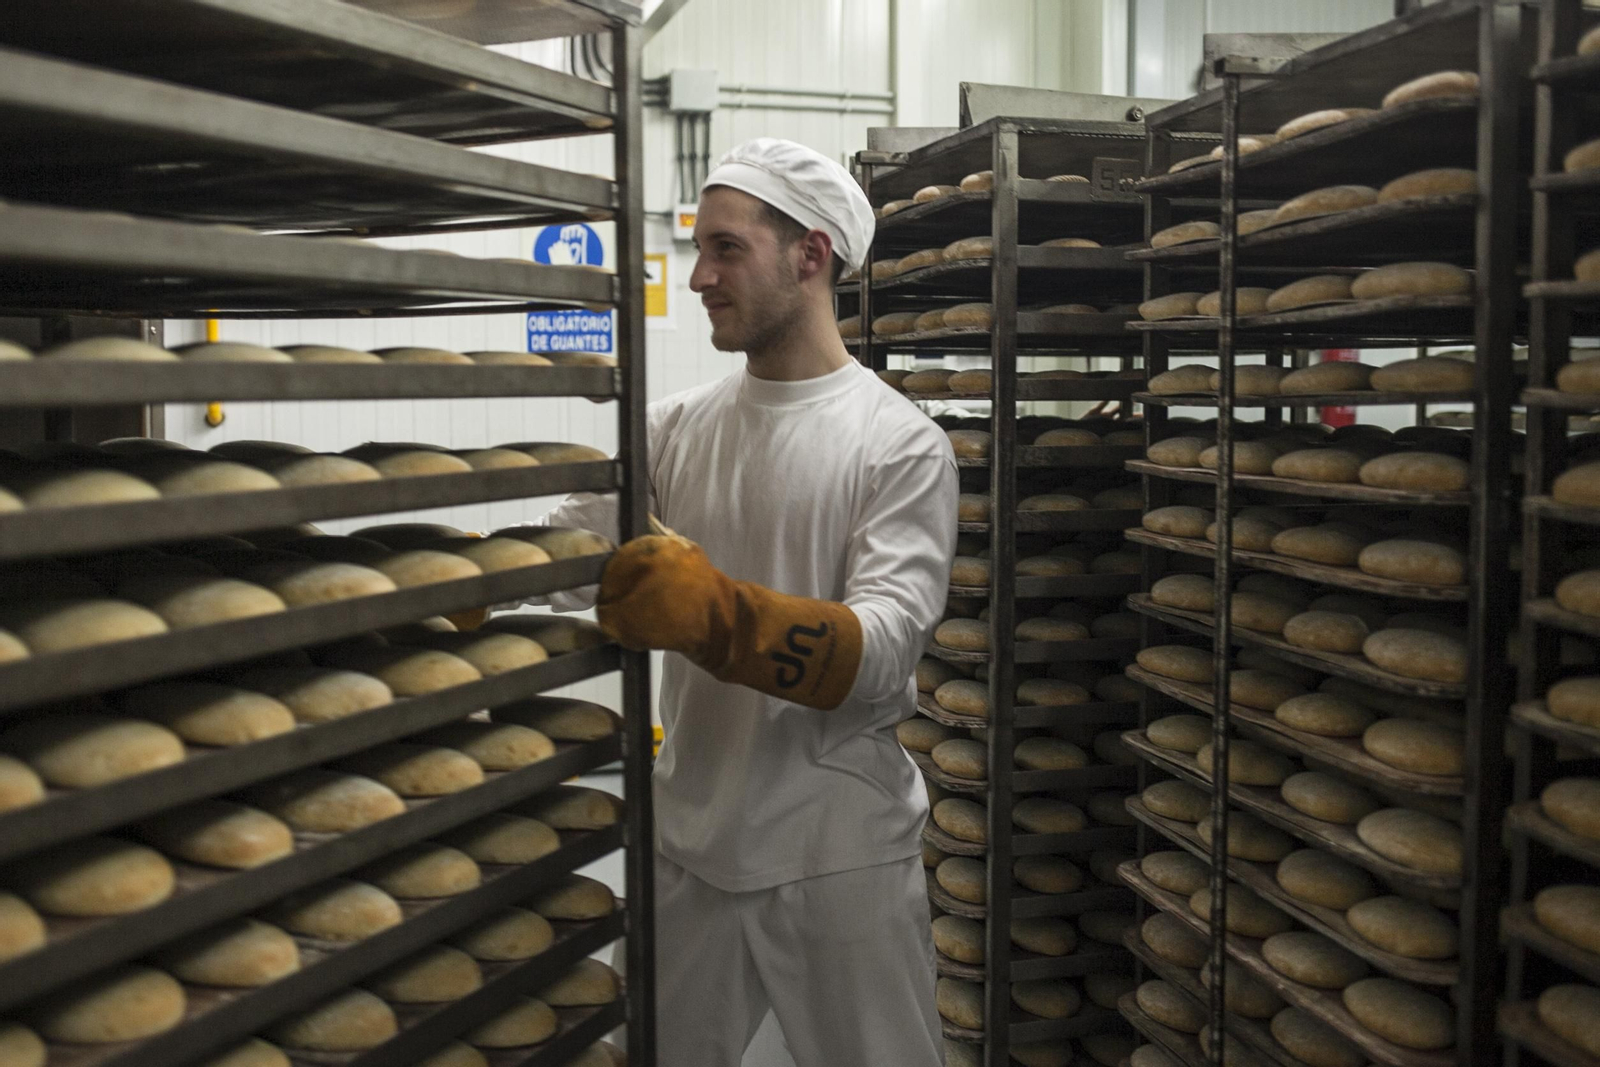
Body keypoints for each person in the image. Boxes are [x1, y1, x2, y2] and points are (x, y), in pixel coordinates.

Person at [505, 138, 957, 1066]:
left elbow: (883, 651)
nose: (701, 274)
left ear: (811, 255)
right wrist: (453, 581)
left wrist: (720, 616)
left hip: (836, 855)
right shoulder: (677, 428)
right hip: (691, 838)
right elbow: (565, 544)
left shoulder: (899, 444)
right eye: (700, 248)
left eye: (726, 249)